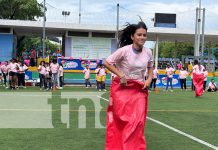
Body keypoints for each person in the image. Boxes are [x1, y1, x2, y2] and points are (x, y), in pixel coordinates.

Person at [103, 21, 153, 150]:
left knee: (139, 121)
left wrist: (149, 80)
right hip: (122, 89)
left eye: (144, 35)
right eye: (139, 34)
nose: (142, 37)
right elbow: (107, 63)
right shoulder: (124, 51)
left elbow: (150, 68)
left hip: (139, 89)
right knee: (123, 121)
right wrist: (121, 75)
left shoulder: (148, 52)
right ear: (132, 36)